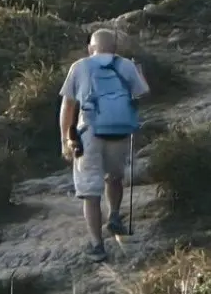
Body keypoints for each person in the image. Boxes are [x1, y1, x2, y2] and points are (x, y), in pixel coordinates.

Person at [58, 29, 151, 262]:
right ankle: (115, 216)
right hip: (119, 132)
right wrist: (139, 73)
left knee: (90, 192)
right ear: (114, 48)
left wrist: (65, 140)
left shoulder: (79, 67)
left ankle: (97, 246)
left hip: (89, 134)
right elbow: (142, 93)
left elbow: (68, 107)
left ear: (91, 48)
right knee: (115, 177)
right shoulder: (127, 65)